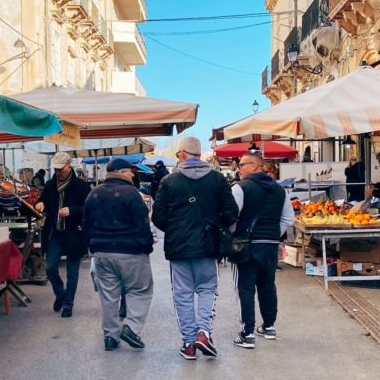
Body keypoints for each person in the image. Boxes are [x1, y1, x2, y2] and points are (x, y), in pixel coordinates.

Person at [152, 136, 239, 360]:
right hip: (209, 246)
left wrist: (175, 229)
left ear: (181, 154)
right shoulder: (218, 179)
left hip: (179, 247)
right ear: (199, 155)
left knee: (182, 295)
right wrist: (216, 226)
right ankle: (204, 333)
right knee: (208, 289)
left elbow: (158, 217)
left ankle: (189, 343)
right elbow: (231, 213)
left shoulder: (169, 182)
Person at [84, 157, 154, 351]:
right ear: (122, 172)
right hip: (131, 252)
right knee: (140, 290)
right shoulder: (132, 194)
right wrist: (146, 246)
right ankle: (131, 328)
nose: (133, 174)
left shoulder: (94, 194)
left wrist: (93, 246)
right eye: (131, 171)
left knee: (108, 296)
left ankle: (110, 336)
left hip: (102, 253)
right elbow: (142, 224)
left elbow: (87, 224)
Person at [231, 154, 295, 348]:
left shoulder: (240, 188)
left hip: (247, 245)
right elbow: (288, 218)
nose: (238, 169)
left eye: (241, 165)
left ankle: (247, 333)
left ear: (254, 166)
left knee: (245, 288)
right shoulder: (279, 190)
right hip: (270, 245)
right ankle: (269, 326)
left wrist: (236, 235)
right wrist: (274, 234)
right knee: (268, 285)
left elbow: (231, 216)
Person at [36, 152, 90, 318]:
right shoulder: (51, 184)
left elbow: (88, 209)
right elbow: (43, 199)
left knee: (72, 272)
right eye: (56, 169)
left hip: (74, 233)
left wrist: (72, 210)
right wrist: (40, 203)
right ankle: (60, 294)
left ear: (69, 165)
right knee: (51, 267)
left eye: (61, 169)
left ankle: (68, 304)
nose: (58, 172)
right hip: (56, 232)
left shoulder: (81, 186)